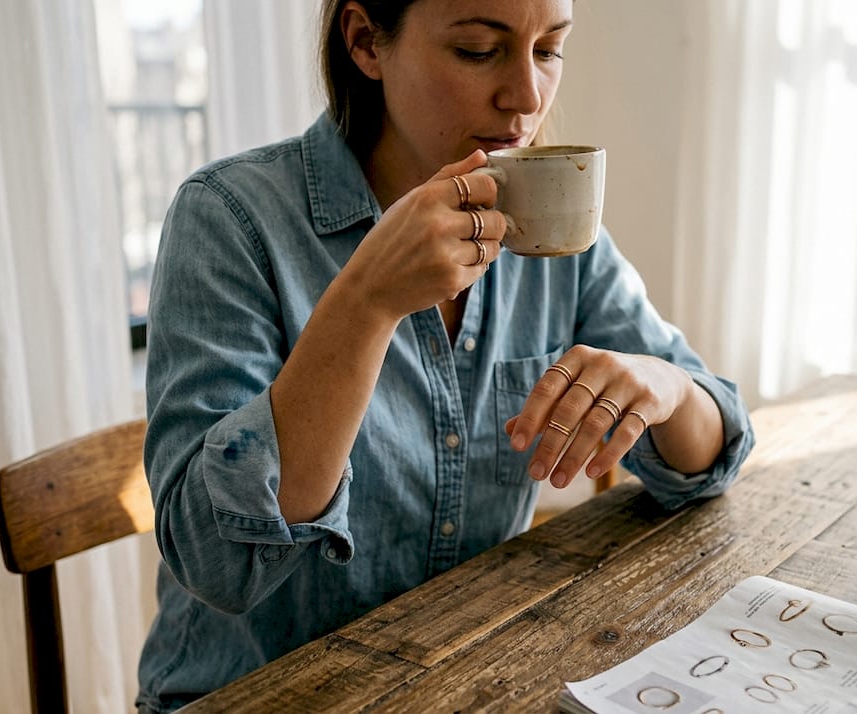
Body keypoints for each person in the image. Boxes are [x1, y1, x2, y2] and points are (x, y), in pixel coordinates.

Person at [135, 0, 755, 710]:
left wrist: (664, 384)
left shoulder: (550, 221)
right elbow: (216, 562)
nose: (526, 97)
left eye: (549, 50)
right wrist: (364, 302)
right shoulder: (231, 219)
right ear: (367, 42)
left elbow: (716, 448)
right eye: (477, 51)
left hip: (468, 682)